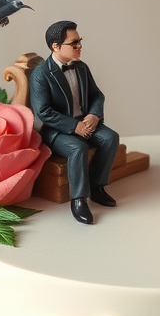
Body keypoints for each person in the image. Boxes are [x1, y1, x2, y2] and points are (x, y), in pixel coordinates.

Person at [30, 20, 119, 224]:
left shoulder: (81, 67)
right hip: (57, 130)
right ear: (56, 46)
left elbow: (97, 95)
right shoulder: (41, 74)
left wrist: (94, 115)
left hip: (86, 122)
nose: (79, 46)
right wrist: (74, 126)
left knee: (110, 138)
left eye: (80, 41)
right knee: (78, 148)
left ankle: (97, 186)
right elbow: (43, 112)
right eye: (74, 43)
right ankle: (79, 199)